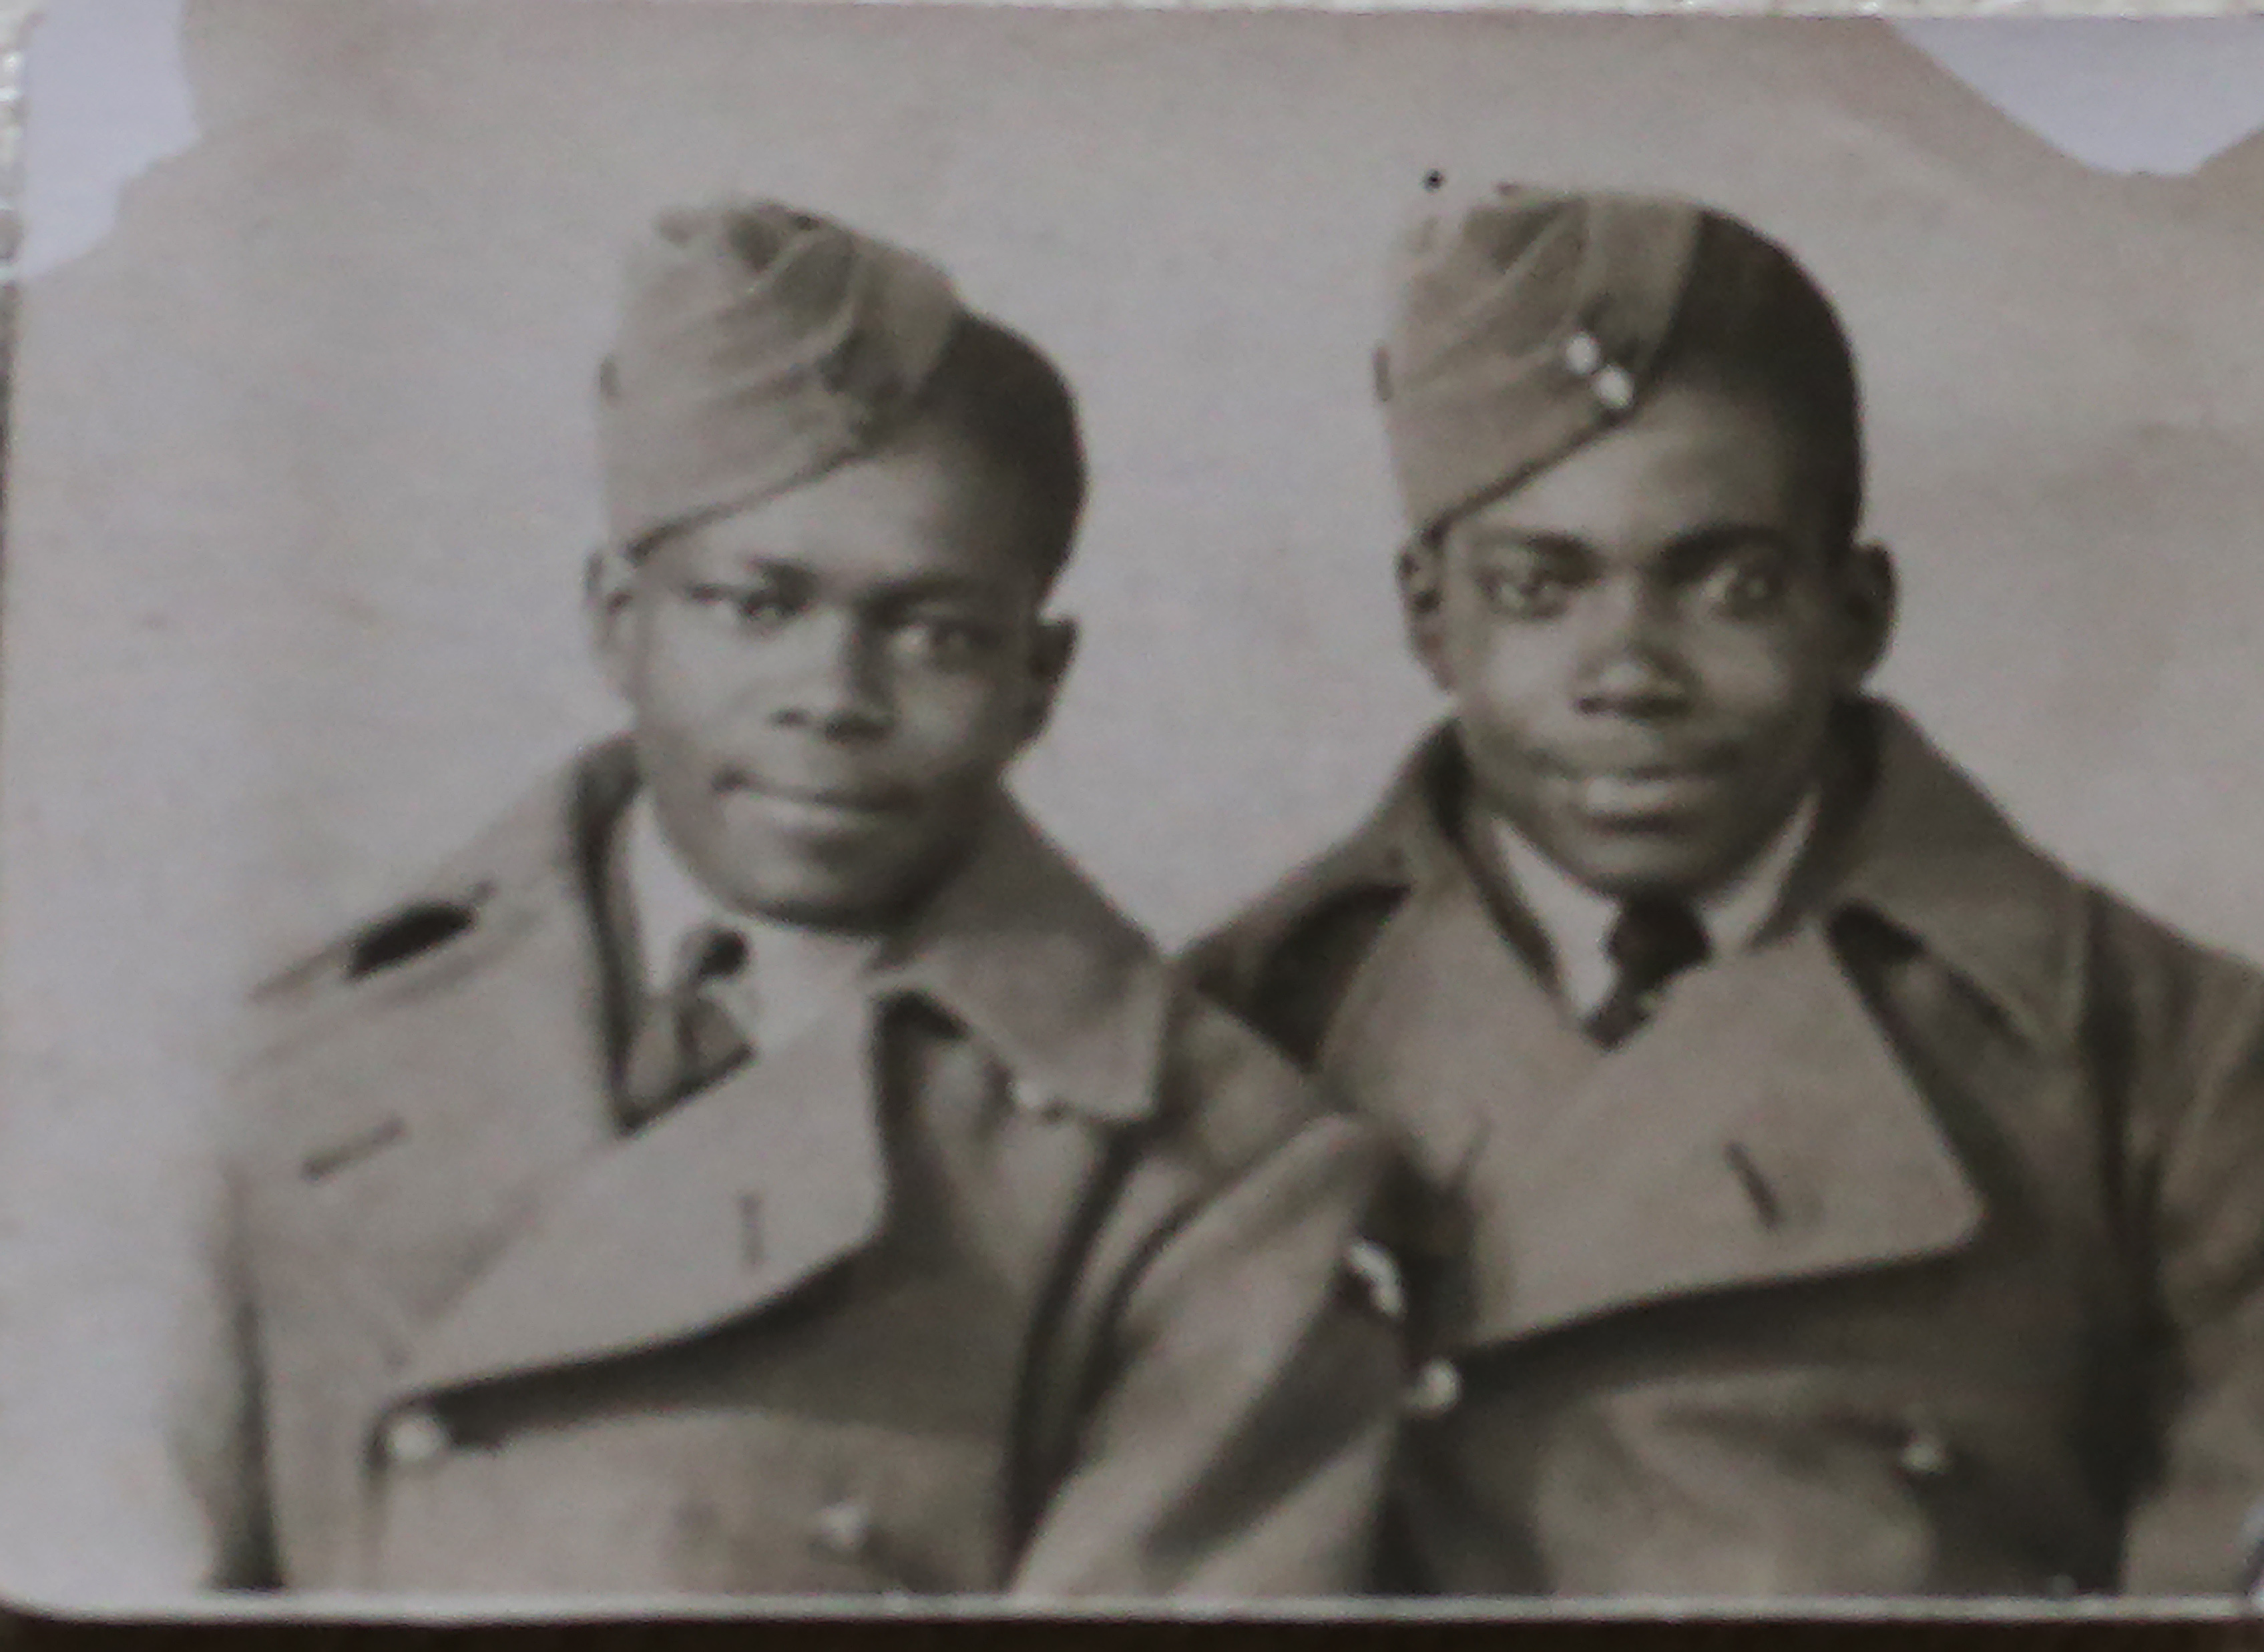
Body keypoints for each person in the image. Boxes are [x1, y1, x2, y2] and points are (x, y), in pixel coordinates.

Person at [57, 200, 1404, 1599]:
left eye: (935, 633)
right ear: (614, 620)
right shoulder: (284, 1057)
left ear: (1038, 679)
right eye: (755, 607)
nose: (834, 696)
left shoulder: (1208, 1177)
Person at [1189, 185, 2264, 1600]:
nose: (1628, 673)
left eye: (1728, 585)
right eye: (1539, 588)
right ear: (1428, 612)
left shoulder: (2173, 1063)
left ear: (1857, 614)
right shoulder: (1239, 1033)